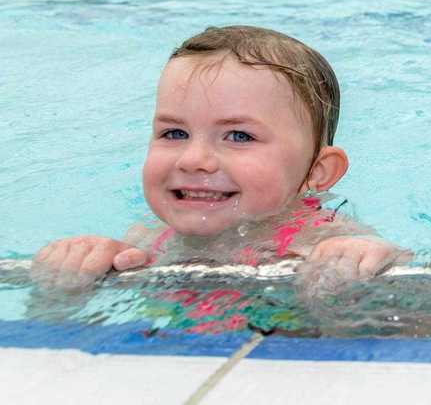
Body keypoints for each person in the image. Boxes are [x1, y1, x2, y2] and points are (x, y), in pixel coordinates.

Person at [31, 26, 405, 294]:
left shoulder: (323, 239)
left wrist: (365, 263)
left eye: (239, 136)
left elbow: (410, 312)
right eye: (174, 133)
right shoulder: (148, 240)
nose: (194, 160)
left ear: (316, 171)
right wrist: (82, 268)